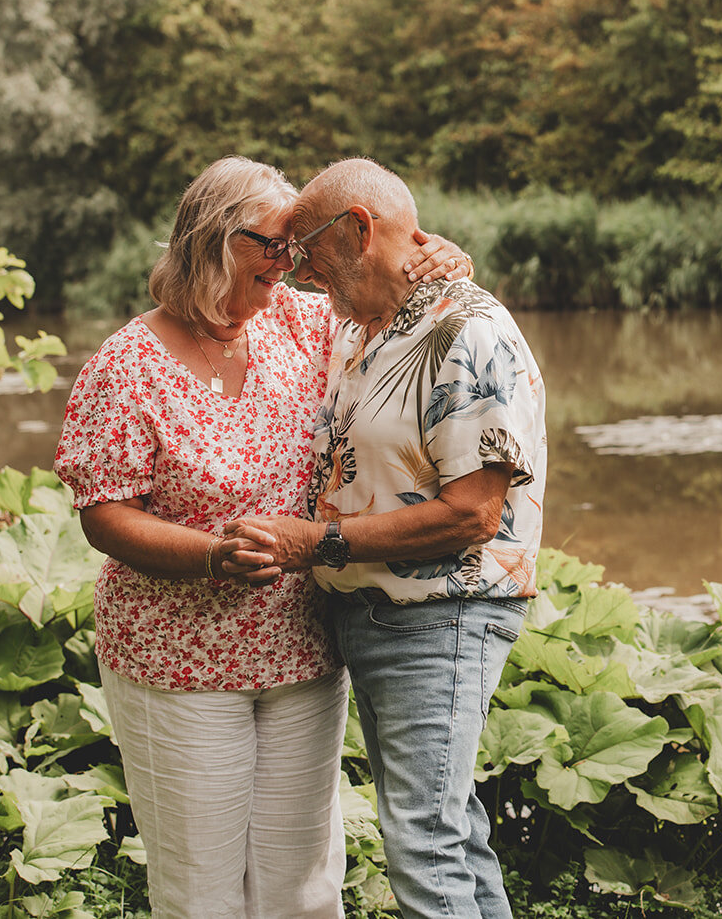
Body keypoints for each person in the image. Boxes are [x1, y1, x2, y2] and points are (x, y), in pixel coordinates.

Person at [52, 155, 473, 919]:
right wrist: (211, 554)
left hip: (300, 652)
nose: (291, 261)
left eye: (294, 247)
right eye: (272, 244)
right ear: (213, 239)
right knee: (202, 895)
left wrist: (435, 254)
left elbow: (386, 291)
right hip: (175, 658)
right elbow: (104, 511)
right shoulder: (129, 363)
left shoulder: (301, 325)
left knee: (304, 890)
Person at [222, 157, 547, 919]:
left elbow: (474, 514)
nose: (301, 273)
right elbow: (228, 302)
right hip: (372, 616)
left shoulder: (470, 330)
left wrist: (315, 543)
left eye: (309, 252)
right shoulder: (360, 326)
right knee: (450, 833)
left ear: (360, 231)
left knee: (424, 844)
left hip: (440, 615)